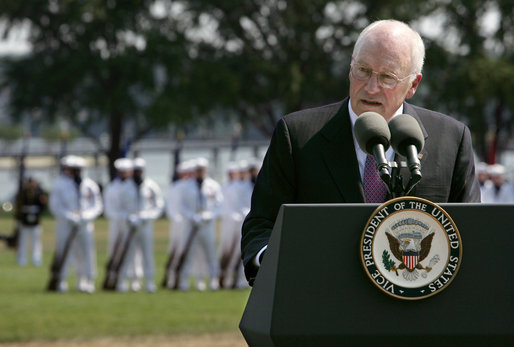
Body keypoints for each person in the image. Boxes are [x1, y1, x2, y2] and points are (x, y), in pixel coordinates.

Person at [241, 19, 481, 285]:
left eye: (387, 77)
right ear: (349, 69)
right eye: (362, 70)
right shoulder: (297, 135)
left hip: (418, 313)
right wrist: (271, 262)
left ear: (413, 85)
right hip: (322, 302)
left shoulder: (451, 139)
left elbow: (470, 233)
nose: (371, 87)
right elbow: (262, 224)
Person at [49, 155, 103, 293]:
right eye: (72, 169)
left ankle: (87, 280)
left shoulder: (89, 185)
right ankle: (62, 279)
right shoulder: (59, 184)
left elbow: (97, 205)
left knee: (86, 252)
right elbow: (55, 206)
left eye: (78, 169)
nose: (75, 172)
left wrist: (86, 216)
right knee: (64, 251)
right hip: (65, 224)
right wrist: (69, 216)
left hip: (85, 223)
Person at [117, 157, 164, 293]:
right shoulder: (124, 187)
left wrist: (148, 216)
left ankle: (149, 281)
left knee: (147, 254)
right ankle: (124, 281)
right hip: (129, 225)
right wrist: (128, 217)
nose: (138, 173)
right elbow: (119, 207)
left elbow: (159, 206)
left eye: (140, 170)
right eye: (135, 170)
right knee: (127, 254)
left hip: (145, 225)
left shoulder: (151, 186)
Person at [179, 157, 223, 291]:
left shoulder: (213, 185)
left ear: (206, 170)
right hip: (192, 224)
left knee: (210, 253)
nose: (200, 172)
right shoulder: (187, 186)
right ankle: (184, 280)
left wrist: (210, 215)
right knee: (189, 253)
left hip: (207, 224)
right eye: (198, 170)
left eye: (202, 170)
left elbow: (219, 205)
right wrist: (192, 216)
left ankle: (214, 280)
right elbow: (182, 205)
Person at [103, 158, 144, 291]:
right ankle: (116, 277)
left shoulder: (136, 186)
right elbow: (109, 208)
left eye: (126, 171)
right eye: (121, 171)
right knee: (115, 251)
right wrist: (122, 216)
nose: (124, 174)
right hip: (117, 223)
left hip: (132, 223)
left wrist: (135, 217)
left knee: (134, 252)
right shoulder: (112, 187)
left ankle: (135, 278)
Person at [14, 177, 48, 266]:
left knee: (36, 242)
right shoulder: (23, 193)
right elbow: (18, 206)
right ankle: (22, 259)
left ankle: (36, 259)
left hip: (35, 222)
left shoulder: (39, 193)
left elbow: (43, 207)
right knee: (23, 241)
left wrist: (36, 209)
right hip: (25, 222)